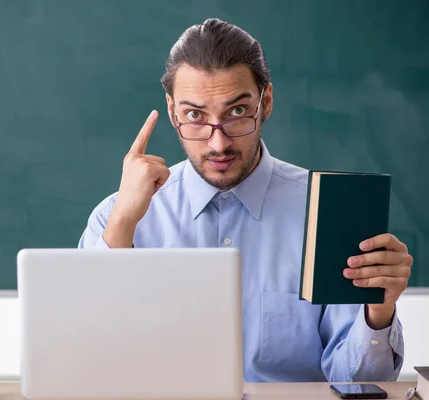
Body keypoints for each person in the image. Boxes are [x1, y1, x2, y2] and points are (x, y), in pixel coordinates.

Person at [78, 18, 413, 382]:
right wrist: (123, 223)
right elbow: (85, 361)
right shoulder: (116, 217)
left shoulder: (326, 212)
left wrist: (378, 312)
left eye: (237, 112)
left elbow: (359, 384)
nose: (218, 143)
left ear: (265, 102)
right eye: (195, 116)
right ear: (173, 111)